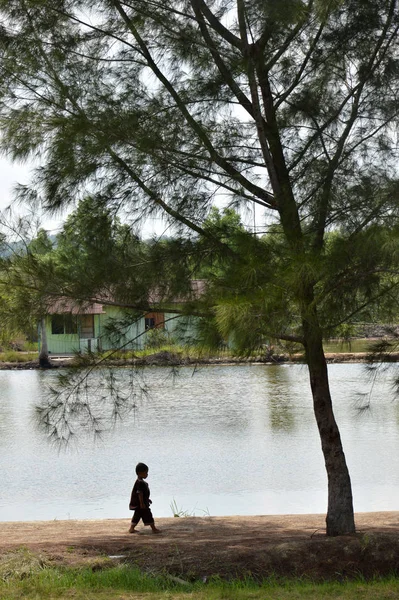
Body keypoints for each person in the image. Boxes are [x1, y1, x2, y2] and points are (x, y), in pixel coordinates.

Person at [128, 462, 161, 534]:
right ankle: (153, 528)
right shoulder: (140, 482)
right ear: (140, 473)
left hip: (141, 503)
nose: (147, 474)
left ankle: (131, 528)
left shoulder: (141, 482)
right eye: (145, 473)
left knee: (137, 515)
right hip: (141, 504)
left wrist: (147, 499)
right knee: (148, 514)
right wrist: (142, 503)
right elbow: (139, 493)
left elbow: (143, 494)